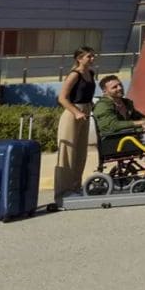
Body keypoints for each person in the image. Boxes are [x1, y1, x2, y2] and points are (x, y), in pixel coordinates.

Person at [54, 47, 98, 196]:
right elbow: (62, 98)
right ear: (79, 59)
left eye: (93, 56)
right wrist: (77, 112)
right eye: (89, 57)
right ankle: (63, 190)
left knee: (80, 152)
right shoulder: (75, 75)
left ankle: (75, 186)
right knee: (68, 152)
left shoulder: (91, 73)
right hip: (72, 113)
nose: (92, 59)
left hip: (85, 112)